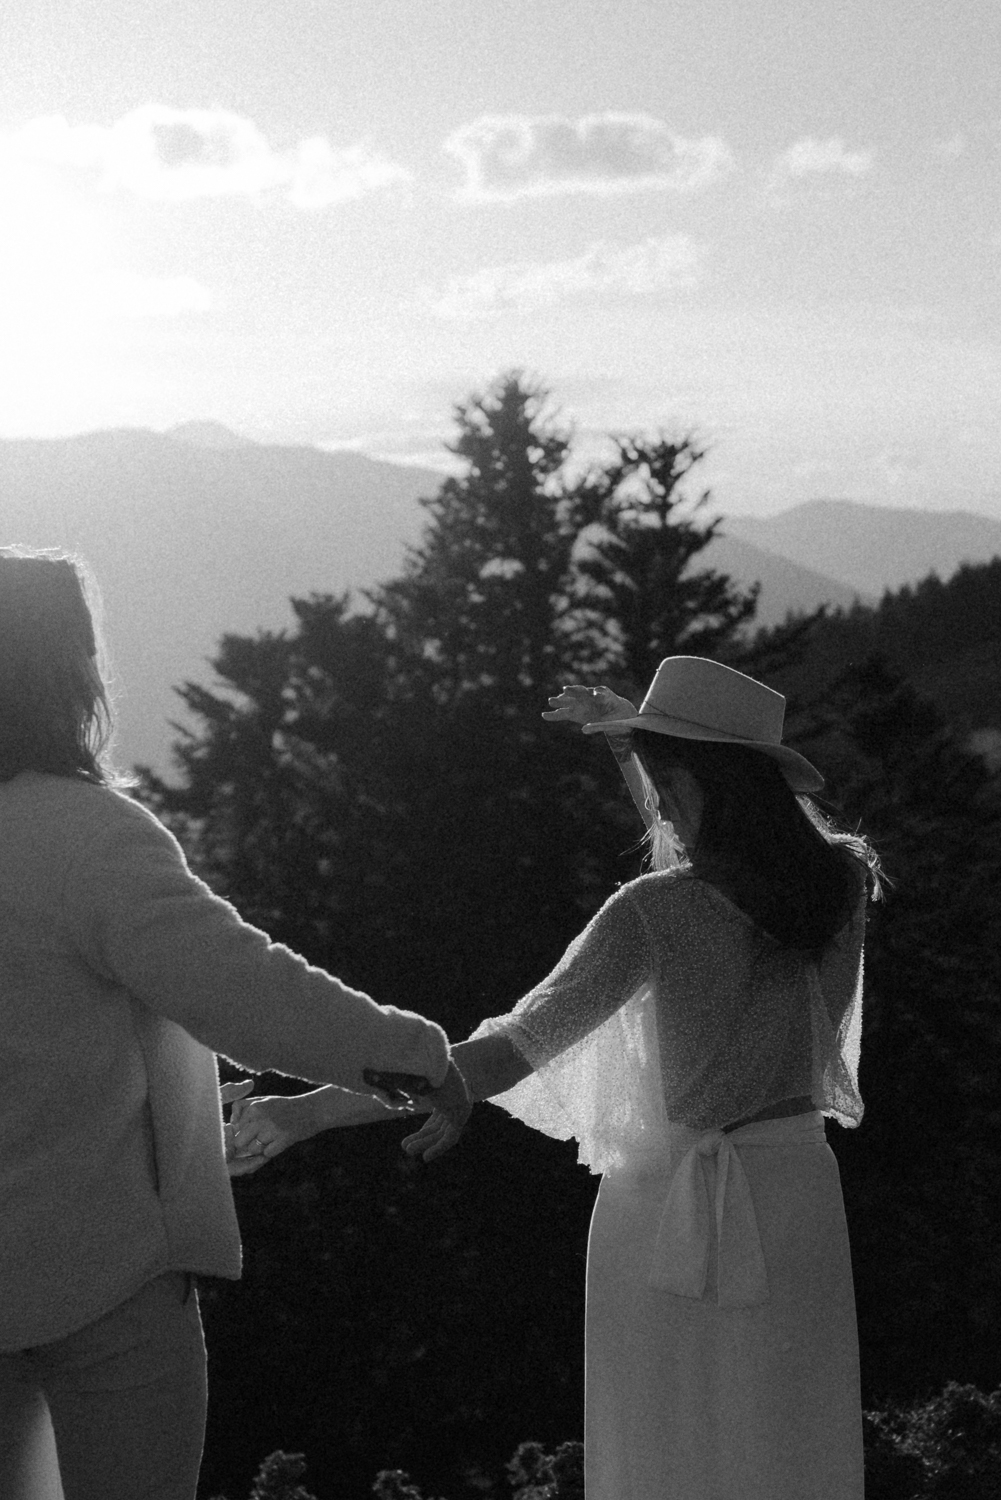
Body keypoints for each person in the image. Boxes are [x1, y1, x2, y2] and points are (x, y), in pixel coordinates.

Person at [0, 547, 470, 1500]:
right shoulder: (86, 835)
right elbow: (245, 990)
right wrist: (413, 1053)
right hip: (100, 1279)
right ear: (67, 674)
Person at [404, 656, 882, 1500]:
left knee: (670, 1440)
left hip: (669, 1213)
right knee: (784, 1433)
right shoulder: (839, 884)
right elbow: (730, 876)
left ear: (697, 783)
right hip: (795, 1195)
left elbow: (511, 1049)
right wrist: (636, 748)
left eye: (664, 781)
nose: (654, 802)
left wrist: (321, 1102)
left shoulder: (650, 916)